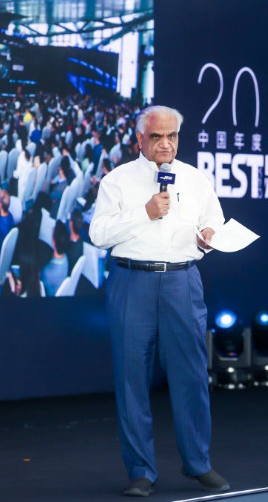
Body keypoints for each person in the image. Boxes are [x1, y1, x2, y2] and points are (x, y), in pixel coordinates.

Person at [89, 105, 230, 497]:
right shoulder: (117, 181)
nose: (165, 144)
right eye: (156, 136)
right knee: (131, 378)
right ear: (140, 139)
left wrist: (208, 234)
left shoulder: (195, 179)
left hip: (182, 281)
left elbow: (214, 220)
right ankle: (141, 471)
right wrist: (144, 213)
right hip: (131, 280)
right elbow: (98, 234)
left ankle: (198, 463)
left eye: (172, 136)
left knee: (191, 376)